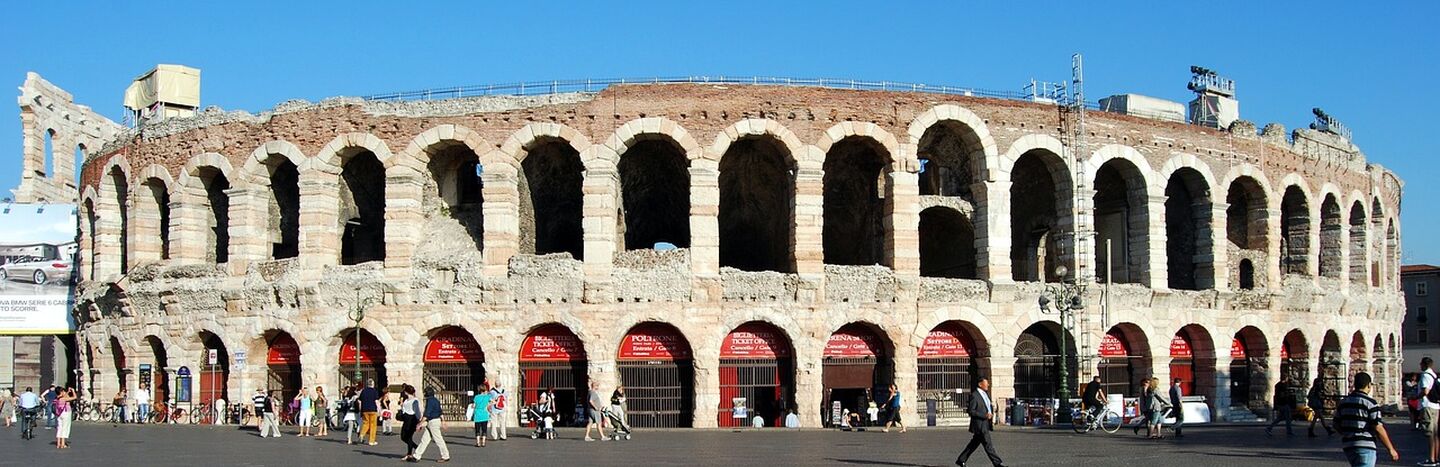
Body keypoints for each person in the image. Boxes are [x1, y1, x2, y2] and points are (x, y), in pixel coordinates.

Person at [1336, 372, 1399, 467]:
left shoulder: (1343, 402)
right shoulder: (1370, 403)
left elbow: (1336, 424)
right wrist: (1391, 449)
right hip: (1365, 445)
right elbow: (1378, 428)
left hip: (1349, 446)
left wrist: (1348, 433)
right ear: (1368, 385)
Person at [955, 378, 1006, 467]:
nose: (988, 385)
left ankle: (961, 459)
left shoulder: (985, 394)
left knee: (974, 444)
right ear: (980, 384)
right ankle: (998, 463)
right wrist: (984, 415)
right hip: (980, 424)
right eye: (986, 383)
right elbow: (971, 411)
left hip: (986, 424)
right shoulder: (975, 395)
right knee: (988, 445)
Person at [414, 387, 450, 463]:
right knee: (425, 440)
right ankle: (417, 455)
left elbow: (427, 414)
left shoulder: (429, 401)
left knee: (438, 439)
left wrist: (420, 424)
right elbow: (440, 411)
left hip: (433, 422)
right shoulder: (436, 400)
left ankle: (445, 456)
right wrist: (443, 421)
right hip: (435, 421)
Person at [1423, 357, 1440, 466]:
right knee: (1435, 433)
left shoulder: (1425, 375)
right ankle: (1436, 457)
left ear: (1424, 365)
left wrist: (1415, 397)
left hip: (1428, 405)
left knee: (1430, 433)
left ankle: (1431, 458)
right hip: (1436, 406)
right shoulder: (1434, 375)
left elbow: (1425, 391)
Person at [399, 384, 420, 462]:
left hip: (412, 419)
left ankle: (409, 454)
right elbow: (404, 408)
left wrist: (419, 422)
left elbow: (417, 411)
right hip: (406, 419)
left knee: (408, 437)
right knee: (403, 437)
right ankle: (415, 448)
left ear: (407, 392)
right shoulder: (406, 400)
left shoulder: (415, 400)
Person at [358, 379, 380, 446]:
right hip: (373, 409)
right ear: (372, 384)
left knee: (365, 423)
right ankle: (371, 441)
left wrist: (360, 409)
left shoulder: (363, 391)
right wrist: (379, 410)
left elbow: (359, 401)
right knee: (373, 425)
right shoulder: (374, 391)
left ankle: (362, 434)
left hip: (365, 410)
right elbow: (376, 401)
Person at [472, 382, 494, 447]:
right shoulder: (487, 397)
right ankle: (483, 442)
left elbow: (473, 405)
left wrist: (473, 406)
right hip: (485, 414)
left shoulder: (476, 397)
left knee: (477, 429)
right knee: (484, 429)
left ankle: (478, 442)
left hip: (477, 415)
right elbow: (493, 401)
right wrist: (489, 405)